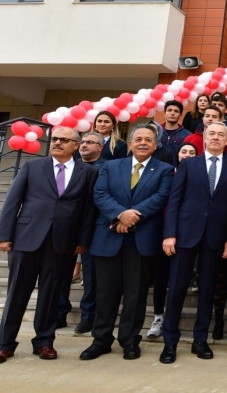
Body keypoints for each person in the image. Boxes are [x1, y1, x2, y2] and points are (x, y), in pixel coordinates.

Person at [0, 127, 98, 363]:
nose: (57, 143)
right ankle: (4, 343)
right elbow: (13, 202)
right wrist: (5, 235)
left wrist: (83, 241)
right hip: (26, 238)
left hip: (62, 243)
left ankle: (44, 342)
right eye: (54, 139)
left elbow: (88, 211)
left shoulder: (88, 172)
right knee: (17, 293)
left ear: (76, 145)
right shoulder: (33, 167)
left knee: (51, 294)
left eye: (64, 140)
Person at [79, 126, 174, 361]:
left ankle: (130, 340)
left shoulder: (165, 169)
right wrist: (120, 215)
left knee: (136, 294)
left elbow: (161, 197)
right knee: (105, 293)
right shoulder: (110, 166)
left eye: (148, 140)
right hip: (109, 237)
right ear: (130, 143)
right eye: (138, 139)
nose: (143, 143)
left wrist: (131, 216)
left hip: (141, 240)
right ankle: (100, 339)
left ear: (156, 144)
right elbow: (100, 194)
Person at [160, 121, 227, 364]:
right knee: (177, 289)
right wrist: (169, 233)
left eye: (221, 135)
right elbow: (174, 201)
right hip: (184, 234)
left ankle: (200, 340)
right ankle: (170, 342)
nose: (216, 138)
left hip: (214, 237)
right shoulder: (189, 164)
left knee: (207, 290)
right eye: (211, 134)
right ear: (204, 138)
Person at [146, 142, 197, 340]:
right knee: (161, 277)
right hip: (162, 230)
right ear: (178, 155)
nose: (187, 155)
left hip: (186, 234)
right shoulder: (167, 173)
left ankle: (172, 320)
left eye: (192, 152)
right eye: (184, 151)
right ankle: (158, 317)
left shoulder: (198, 175)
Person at [60, 131, 107, 333]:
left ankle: (88, 316)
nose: (84, 145)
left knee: (90, 276)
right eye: (82, 142)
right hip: (65, 228)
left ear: (100, 147)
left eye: (90, 142)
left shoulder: (107, 168)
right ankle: (59, 313)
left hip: (93, 228)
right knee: (61, 273)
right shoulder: (70, 166)